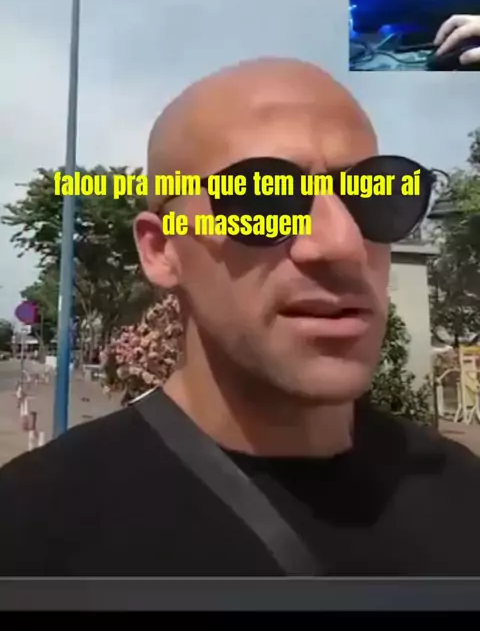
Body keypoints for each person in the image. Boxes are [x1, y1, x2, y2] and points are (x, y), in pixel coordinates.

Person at [1, 56, 480, 576]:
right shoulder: (31, 534)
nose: (341, 244)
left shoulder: (463, 495)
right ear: (161, 250)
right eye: (262, 197)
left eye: (378, 194)